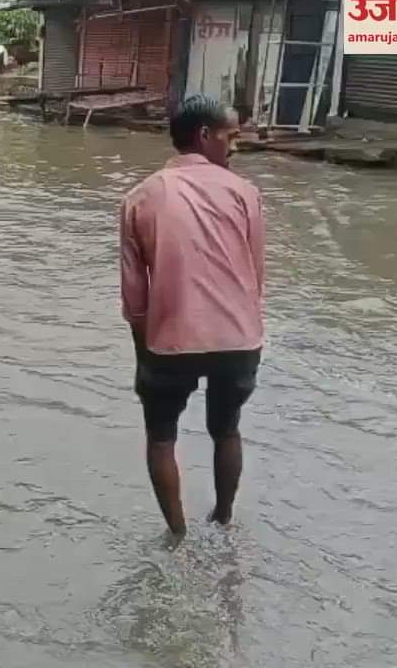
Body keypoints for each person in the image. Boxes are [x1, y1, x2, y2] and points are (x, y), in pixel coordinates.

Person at [121, 94, 264, 537]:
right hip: (238, 340)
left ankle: (177, 534)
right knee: (227, 429)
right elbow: (255, 278)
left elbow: (134, 297)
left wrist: (143, 356)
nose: (236, 146)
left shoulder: (140, 197)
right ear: (205, 136)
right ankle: (223, 519)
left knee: (161, 436)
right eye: (231, 136)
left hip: (169, 341)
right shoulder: (245, 193)